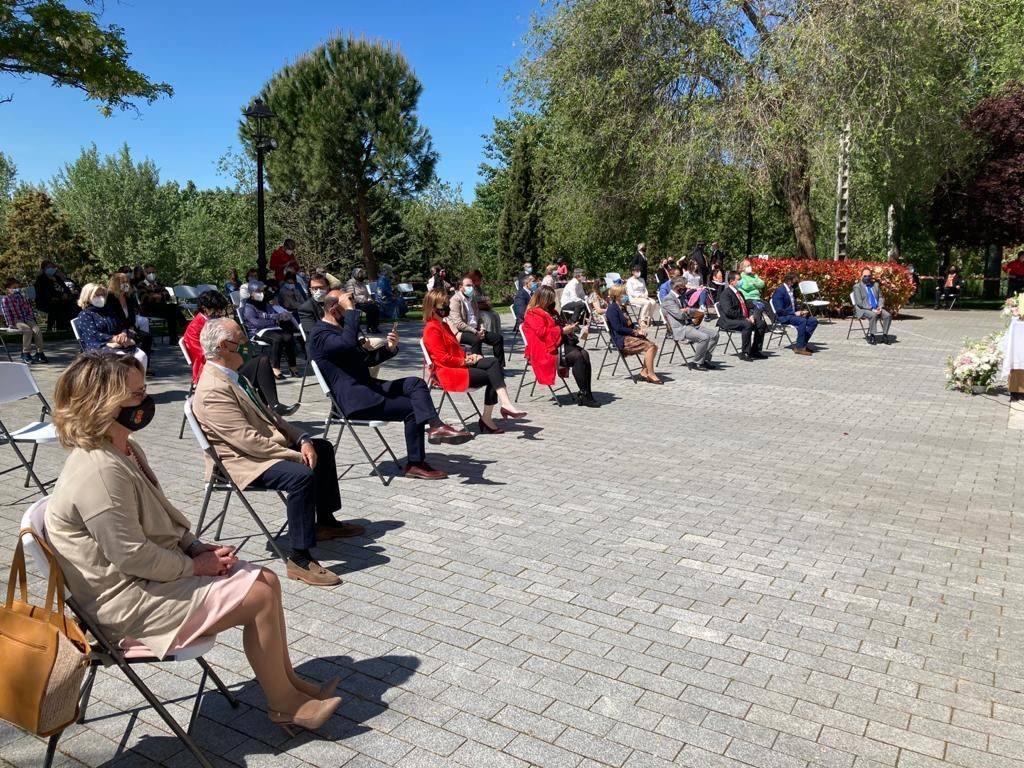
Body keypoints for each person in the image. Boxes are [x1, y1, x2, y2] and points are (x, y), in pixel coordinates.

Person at [45, 353, 342, 733]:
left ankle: (289, 684)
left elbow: (160, 519)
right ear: (101, 404)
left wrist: (194, 547)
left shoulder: (124, 449)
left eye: (144, 390)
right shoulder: (99, 472)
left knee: (266, 579)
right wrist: (195, 566)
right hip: (126, 603)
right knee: (259, 596)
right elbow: (131, 556)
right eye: (135, 396)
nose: (146, 402)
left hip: (150, 577)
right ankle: (283, 704)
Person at [193, 319, 364, 586]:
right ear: (225, 346)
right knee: (301, 476)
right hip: (241, 461)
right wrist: (296, 456)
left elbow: (272, 418)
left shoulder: (232, 376)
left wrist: (303, 438)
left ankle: (325, 522)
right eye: (243, 338)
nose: (249, 344)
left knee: (322, 448)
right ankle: (299, 558)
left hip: (260, 448)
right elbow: (247, 442)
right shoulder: (213, 390)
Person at [310, 291, 471, 478]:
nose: (353, 313)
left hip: (367, 388)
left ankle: (435, 426)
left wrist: (389, 348)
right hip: (353, 401)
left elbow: (367, 360)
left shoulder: (343, 328)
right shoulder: (320, 334)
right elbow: (346, 344)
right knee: (413, 408)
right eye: (347, 309)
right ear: (334, 310)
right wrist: (352, 312)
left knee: (415, 383)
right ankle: (415, 463)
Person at [423, 289, 527, 431]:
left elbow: (454, 350)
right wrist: (466, 361)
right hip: (448, 373)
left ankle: (505, 404)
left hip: (459, 365)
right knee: (494, 375)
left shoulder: (444, 325)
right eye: (444, 305)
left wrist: (469, 357)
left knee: (493, 363)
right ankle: (487, 418)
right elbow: (443, 359)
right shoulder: (431, 329)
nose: (447, 307)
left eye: (447, 304)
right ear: (432, 308)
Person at [183, 290, 297, 416]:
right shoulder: (194, 328)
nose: (219, 313)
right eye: (216, 310)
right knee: (260, 365)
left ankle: (271, 407)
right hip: (214, 370)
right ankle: (266, 410)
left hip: (231, 363)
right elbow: (205, 356)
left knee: (262, 361)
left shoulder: (215, 321)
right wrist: (235, 353)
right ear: (204, 308)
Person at [523, 285, 599, 407]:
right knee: (578, 356)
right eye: (550, 299)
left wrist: (570, 327)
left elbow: (558, 326)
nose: (553, 301)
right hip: (544, 349)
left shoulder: (551, 311)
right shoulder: (532, 314)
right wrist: (562, 331)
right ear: (543, 299)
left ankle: (586, 393)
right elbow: (542, 333)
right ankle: (585, 394)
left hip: (557, 343)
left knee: (585, 354)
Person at [75, 283, 148, 371]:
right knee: (125, 360)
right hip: (98, 345)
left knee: (141, 356)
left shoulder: (108, 311)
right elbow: (94, 334)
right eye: (96, 295)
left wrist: (123, 333)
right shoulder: (85, 314)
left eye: (102, 294)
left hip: (118, 342)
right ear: (87, 296)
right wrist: (114, 338)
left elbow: (121, 325)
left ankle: (138, 382)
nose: (100, 297)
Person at [241, 281, 299, 378]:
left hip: (272, 328)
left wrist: (278, 316)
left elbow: (273, 313)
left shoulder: (265, 304)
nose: (261, 293)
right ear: (251, 293)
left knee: (289, 337)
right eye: (258, 291)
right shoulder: (248, 307)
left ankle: (292, 366)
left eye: (262, 291)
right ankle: (275, 368)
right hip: (257, 331)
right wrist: (273, 318)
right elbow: (256, 323)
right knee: (277, 339)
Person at [661, 277, 720, 371]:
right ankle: (697, 362)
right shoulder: (668, 300)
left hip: (690, 325)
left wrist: (690, 310)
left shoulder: (682, 297)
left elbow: (689, 310)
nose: (685, 288)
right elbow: (680, 315)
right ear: (677, 287)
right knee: (704, 338)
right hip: (680, 328)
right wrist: (687, 311)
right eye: (683, 286)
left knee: (714, 335)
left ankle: (705, 359)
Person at [446, 275, 506, 367]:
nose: (471, 288)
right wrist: (475, 332)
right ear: (461, 287)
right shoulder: (455, 300)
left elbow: (478, 318)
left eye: (472, 286)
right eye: (468, 285)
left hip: (476, 330)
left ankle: (499, 366)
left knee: (498, 338)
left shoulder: (472, 299)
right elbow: (458, 323)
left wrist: (482, 328)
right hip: (462, 331)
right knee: (476, 340)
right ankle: (478, 366)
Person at [605, 284, 661, 384]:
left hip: (629, 335)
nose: (626, 295)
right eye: (624, 293)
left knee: (654, 346)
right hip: (621, 339)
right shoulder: (612, 309)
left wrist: (639, 329)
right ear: (617, 295)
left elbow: (629, 325)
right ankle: (651, 374)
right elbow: (617, 328)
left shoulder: (622, 308)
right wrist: (634, 332)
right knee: (651, 347)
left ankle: (644, 372)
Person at [718, 270, 766, 361]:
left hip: (742, 318)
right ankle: (745, 352)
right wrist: (745, 319)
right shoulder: (726, 294)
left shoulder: (739, 293)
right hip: (729, 320)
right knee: (747, 324)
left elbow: (745, 307)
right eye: (739, 279)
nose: (741, 282)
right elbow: (729, 311)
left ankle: (755, 350)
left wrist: (752, 316)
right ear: (732, 281)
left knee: (761, 324)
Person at [104, 272, 153, 360]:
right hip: (115, 331)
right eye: (123, 282)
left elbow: (132, 316)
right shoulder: (110, 298)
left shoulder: (128, 297)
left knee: (147, 337)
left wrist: (131, 328)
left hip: (128, 329)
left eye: (127, 282)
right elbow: (112, 319)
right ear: (116, 284)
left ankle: (144, 366)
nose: (126, 284)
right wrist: (124, 331)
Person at [134, 264, 187, 344]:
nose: (151, 274)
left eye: (153, 272)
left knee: (171, 312)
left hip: (162, 309)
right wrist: (157, 297)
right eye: (149, 272)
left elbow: (167, 295)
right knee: (173, 309)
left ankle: (175, 337)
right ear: (145, 273)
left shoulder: (159, 283)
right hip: (148, 310)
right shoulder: (141, 285)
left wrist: (155, 296)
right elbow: (144, 298)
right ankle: (184, 327)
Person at [771, 272, 818, 356]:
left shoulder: (791, 291)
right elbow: (779, 310)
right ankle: (800, 347)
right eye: (795, 281)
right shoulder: (779, 291)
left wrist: (801, 311)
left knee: (813, 321)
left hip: (792, 315)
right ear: (789, 281)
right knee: (802, 321)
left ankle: (801, 343)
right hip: (783, 316)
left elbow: (793, 305)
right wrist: (794, 313)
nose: (796, 284)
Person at [2, 277, 47, 363]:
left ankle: (40, 353)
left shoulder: (22, 297)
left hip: (26, 318)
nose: (16, 289)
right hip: (16, 320)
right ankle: (26, 353)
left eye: (17, 287)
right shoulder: (6, 299)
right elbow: (7, 313)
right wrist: (11, 324)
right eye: (14, 288)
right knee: (27, 330)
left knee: (37, 330)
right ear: (8, 289)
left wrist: (32, 319)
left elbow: (29, 309)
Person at [34, 260, 79, 331]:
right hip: (47, 301)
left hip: (62, 299)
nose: (51, 268)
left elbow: (65, 288)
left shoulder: (57, 278)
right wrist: (60, 295)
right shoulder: (41, 279)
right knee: (57, 305)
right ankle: (57, 328)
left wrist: (67, 294)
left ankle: (71, 326)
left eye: (52, 267)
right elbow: (45, 292)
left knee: (73, 304)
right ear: (44, 269)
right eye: (49, 267)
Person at [853, 267, 892, 344]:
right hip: (863, 309)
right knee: (873, 315)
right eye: (865, 276)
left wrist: (880, 307)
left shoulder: (875, 285)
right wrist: (872, 309)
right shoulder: (857, 287)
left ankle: (885, 335)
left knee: (888, 315)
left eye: (869, 276)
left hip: (877, 307)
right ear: (861, 276)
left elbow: (881, 297)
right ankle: (872, 335)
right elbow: (859, 303)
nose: (867, 278)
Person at [345, 267, 381, 333]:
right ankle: (371, 327)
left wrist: (370, 299)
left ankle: (373, 326)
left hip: (366, 302)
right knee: (372, 308)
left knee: (375, 307)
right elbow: (351, 295)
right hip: (355, 303)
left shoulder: (362, 283)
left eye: (362, 273)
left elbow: (367, 294)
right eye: (359, 273)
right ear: (355, 273)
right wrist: (364, 300)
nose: (361, 274)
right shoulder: (350, 282)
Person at [466, 269, 502, 336]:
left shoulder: (479, 288)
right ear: (474, 279)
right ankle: (489, 335)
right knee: (488, 317)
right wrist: (484, 304)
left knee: (496, 315)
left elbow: (486, 298)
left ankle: (497, 335)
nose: (481, 280)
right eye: (479, 278)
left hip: (483, 308)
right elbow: (471, 303)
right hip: (476, 310)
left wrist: (487, 303)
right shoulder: (470, 288)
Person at [297, 274, 330, 339]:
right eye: (315, 289)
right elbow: (313, 332)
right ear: (310, 290)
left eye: (321, 287)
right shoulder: (305, 308)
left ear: (328, 288)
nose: (319, 291)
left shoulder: (334, 302)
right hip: (319, 343)